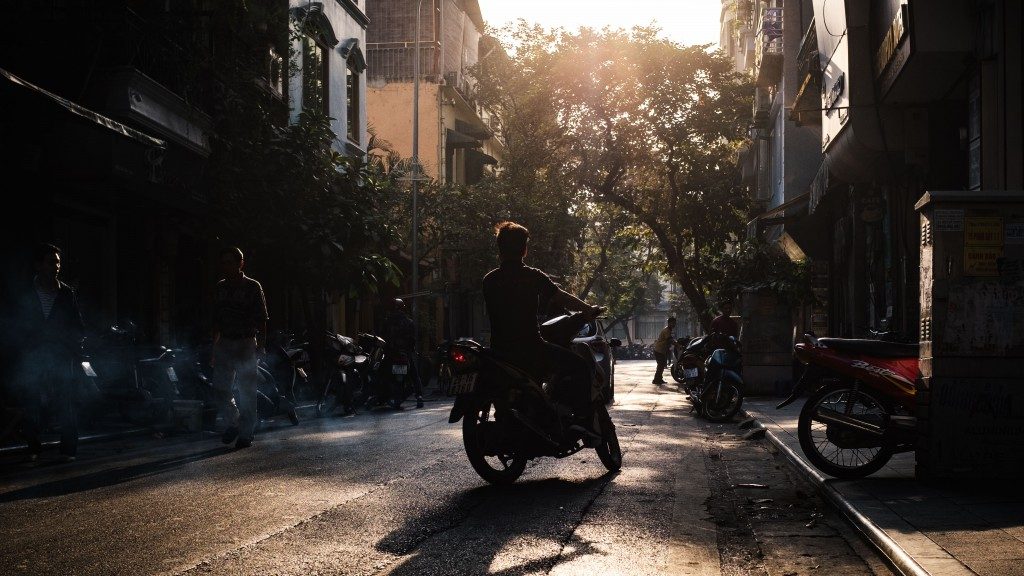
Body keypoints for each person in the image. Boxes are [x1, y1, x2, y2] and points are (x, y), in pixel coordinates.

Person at [482, 221, 603, 440]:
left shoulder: (489, 280)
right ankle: (584, 422)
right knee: (580, 367)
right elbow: (562, 297)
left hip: (499, 352)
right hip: (531, 348)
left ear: (500, 249)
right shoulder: (532, 276)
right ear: (524, 249)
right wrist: (588, 309)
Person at [14, 243, 84, 462]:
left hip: (61, 356)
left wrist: (69, 344)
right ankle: (33, 446)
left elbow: (77, 325)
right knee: (31, 400)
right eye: (51, 261)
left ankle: (68, 449)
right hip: (33, 356)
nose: (56, 266)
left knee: (66, 401)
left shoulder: (66, 293)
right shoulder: (25, 292)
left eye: (58, 262)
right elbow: (17, 323)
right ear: (38, 265)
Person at [211, 246, 268, 449]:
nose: (226, 266)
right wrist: (214, 348)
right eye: (223, 262)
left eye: (230, 262)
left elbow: (262, 319)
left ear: (240, 263)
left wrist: (260, 346)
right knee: (220, 388)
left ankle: (246, 433)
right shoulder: (220, 288)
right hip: (225, 342)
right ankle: (233, 422)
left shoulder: (252, 287)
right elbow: (216, 321)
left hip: (245, 343)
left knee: (247, 391)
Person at [382, 298, 424, 409]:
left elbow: (383, 337)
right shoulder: (408, 322)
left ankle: (385, 394)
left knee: (383, 372)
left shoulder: (387, 321)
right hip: (405, 353)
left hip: (391, 353)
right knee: (414, 375)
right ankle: (419, 396)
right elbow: (413, 339)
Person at [652, 316, 676, 385]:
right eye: (672, 323)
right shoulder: (666, 330)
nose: (674, 325)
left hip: (662, 350)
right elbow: (670, 340)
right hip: (659, 350)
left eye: (674, 323)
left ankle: (659, 379)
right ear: (669, 323)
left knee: (662, 365)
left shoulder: (669, 330)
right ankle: (656, 380)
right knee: (661, 365)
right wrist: (677, 345)